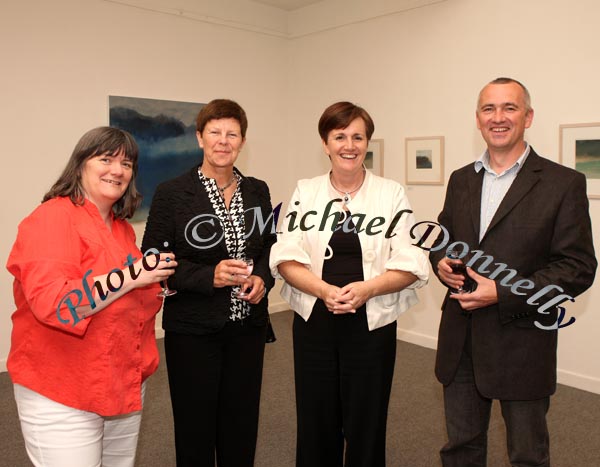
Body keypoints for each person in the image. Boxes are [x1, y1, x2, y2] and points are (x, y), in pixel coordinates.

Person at [429, 77, 597, 466]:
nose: (498, 117)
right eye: (489, 109)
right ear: (477, 119)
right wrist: (440, 262)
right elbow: (443, 237)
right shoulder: (460, 180)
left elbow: (578, 268)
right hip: (462, 340)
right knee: (460, 448)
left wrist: (502, 292)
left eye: (510, 108)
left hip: (522, 343)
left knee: (527, 455)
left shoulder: (563, 183)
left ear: (529, 117)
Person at [270, 101, 429, 467]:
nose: (349, 145)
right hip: (315, 321)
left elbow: (410, 262)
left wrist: (367, 288)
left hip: (370, 324)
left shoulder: (390, 194)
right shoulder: (305, 192)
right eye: (339, 136)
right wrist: (323, 290)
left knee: (367, 422)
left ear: (367, 143)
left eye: (358, 136)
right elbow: (285, 255)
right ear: (325, 143)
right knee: (316, 420)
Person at [6, 127, 177, 467]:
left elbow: (131, 302)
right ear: (80, 165)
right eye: (106, 159)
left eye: (127, 164)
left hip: (121, 382)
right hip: (62, 388)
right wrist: (133, 275)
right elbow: (57, 304)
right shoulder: (51, 218)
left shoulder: (121, 228)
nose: (118, 170)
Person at [141, 99, 276, 467]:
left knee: (241, 422)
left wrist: (264, 276)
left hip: (247, 327)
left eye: (232, 134)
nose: (223, 141)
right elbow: (153, 260)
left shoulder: (258, 191)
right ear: (200, 138)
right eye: (215, 132)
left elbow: (270, 246)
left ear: (242, 142)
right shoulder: (172, 193)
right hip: (193, 330)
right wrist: (208, 275)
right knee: (195, 427)